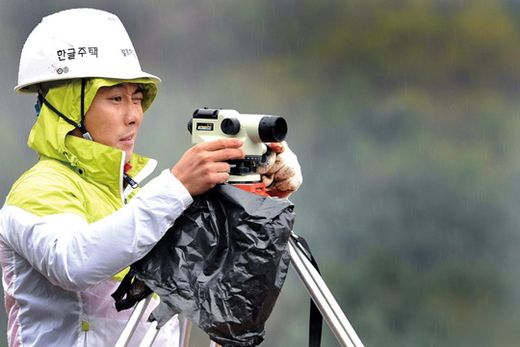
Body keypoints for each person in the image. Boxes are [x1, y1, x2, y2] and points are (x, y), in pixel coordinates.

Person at [0, 8, 302, 347]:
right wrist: (178, 186)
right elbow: (76, 263)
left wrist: (256, 194)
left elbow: (227, 301)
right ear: (67, 107)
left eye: (138, 99)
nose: (133, 117)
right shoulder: (37, 190)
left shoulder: (135, 195)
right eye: (115, 99)